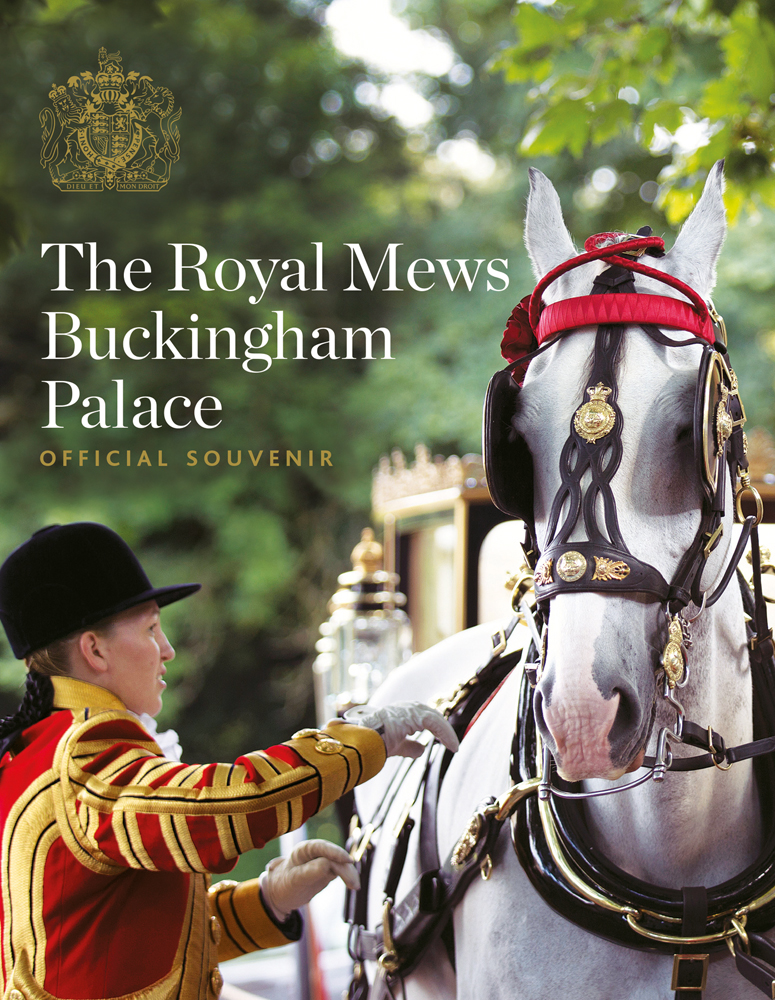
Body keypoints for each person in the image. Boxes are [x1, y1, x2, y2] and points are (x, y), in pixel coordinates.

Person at [0, 522, 457, 1000]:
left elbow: (127, 942)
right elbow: (219, 807)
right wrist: (358, 742)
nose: (167, 650)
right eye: (152, 628)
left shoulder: (33, 749)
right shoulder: (85, 751)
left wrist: (269, 900)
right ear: (94, 649)